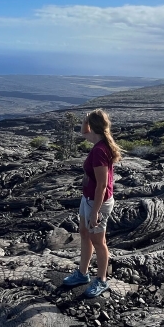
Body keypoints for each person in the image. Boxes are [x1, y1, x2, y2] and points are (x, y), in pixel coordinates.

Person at [62, 109, 122, 298]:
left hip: (98, 203)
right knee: (84, 233)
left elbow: (102, 185)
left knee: (98, 241)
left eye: (88, 123)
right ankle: (82, 273)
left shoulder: (99, 151)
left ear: (94, 127)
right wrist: (86, 119)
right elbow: (83, 132)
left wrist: (95, 211)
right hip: (87, 199)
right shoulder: (100, 142)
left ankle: (102, 280)